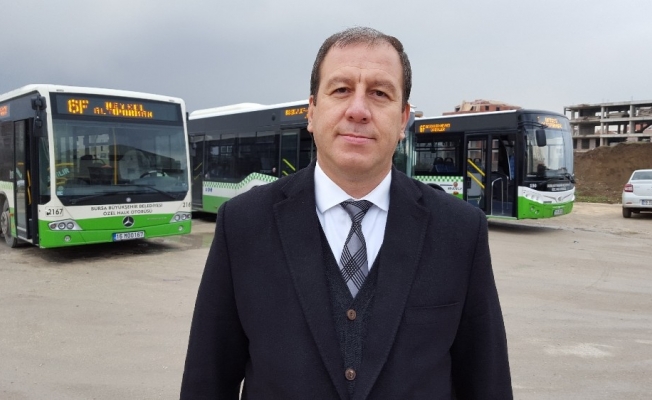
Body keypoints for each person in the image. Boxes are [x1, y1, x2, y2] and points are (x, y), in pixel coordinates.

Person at [180, 27, 512, 399]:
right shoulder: (243, 224)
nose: (358, 110)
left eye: (380, 93)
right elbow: (207, 380)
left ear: (403, 119)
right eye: (340, 90)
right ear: (311, 111)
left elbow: (487, 382)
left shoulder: (460, 230)